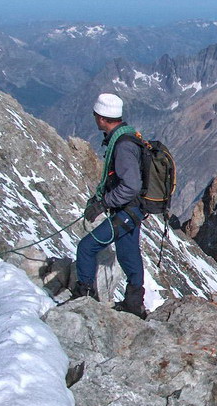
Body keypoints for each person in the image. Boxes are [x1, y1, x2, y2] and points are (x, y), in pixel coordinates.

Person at [71, 93, 146, 319]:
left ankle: (84, 297)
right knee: (128, 255)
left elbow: (131, 186)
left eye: (96, 115)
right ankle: (134, 304)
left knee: (86, 248)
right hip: (133, 210)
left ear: (103, 118)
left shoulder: (122, 146)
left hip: (126, 211)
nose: (94, 118)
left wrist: (104, 203)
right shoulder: (127, 137)